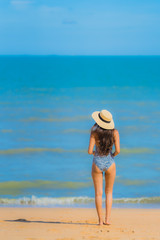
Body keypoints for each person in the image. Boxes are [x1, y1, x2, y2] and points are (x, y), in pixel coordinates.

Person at [88, 109, 120, 226]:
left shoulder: (94, 132)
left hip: (97, 162)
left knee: (98, 193)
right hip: (110, 162)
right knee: (109, 192)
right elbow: (118, 150)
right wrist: (112, 155)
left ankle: (100, 221)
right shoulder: (115, 132)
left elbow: (89, 151)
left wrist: (95, 154)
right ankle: (107, 219)